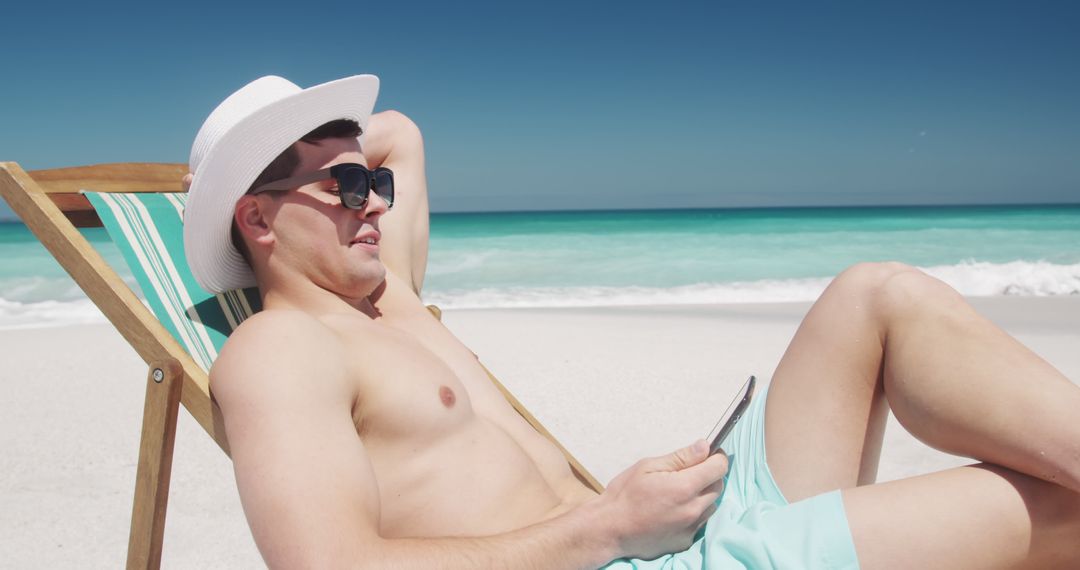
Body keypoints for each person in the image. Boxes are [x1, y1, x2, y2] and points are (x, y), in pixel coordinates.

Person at [182, 75, 1080, 569]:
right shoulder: (279, 351)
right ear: (257, 221)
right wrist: (606, 530)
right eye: (344, 186)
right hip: (625, 560)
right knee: (1063, 515)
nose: (372, 199)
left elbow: (402, 132)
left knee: (877, 292)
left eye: (369, 184)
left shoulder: (392, 298)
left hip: (675, 532)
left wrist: (323, 152)